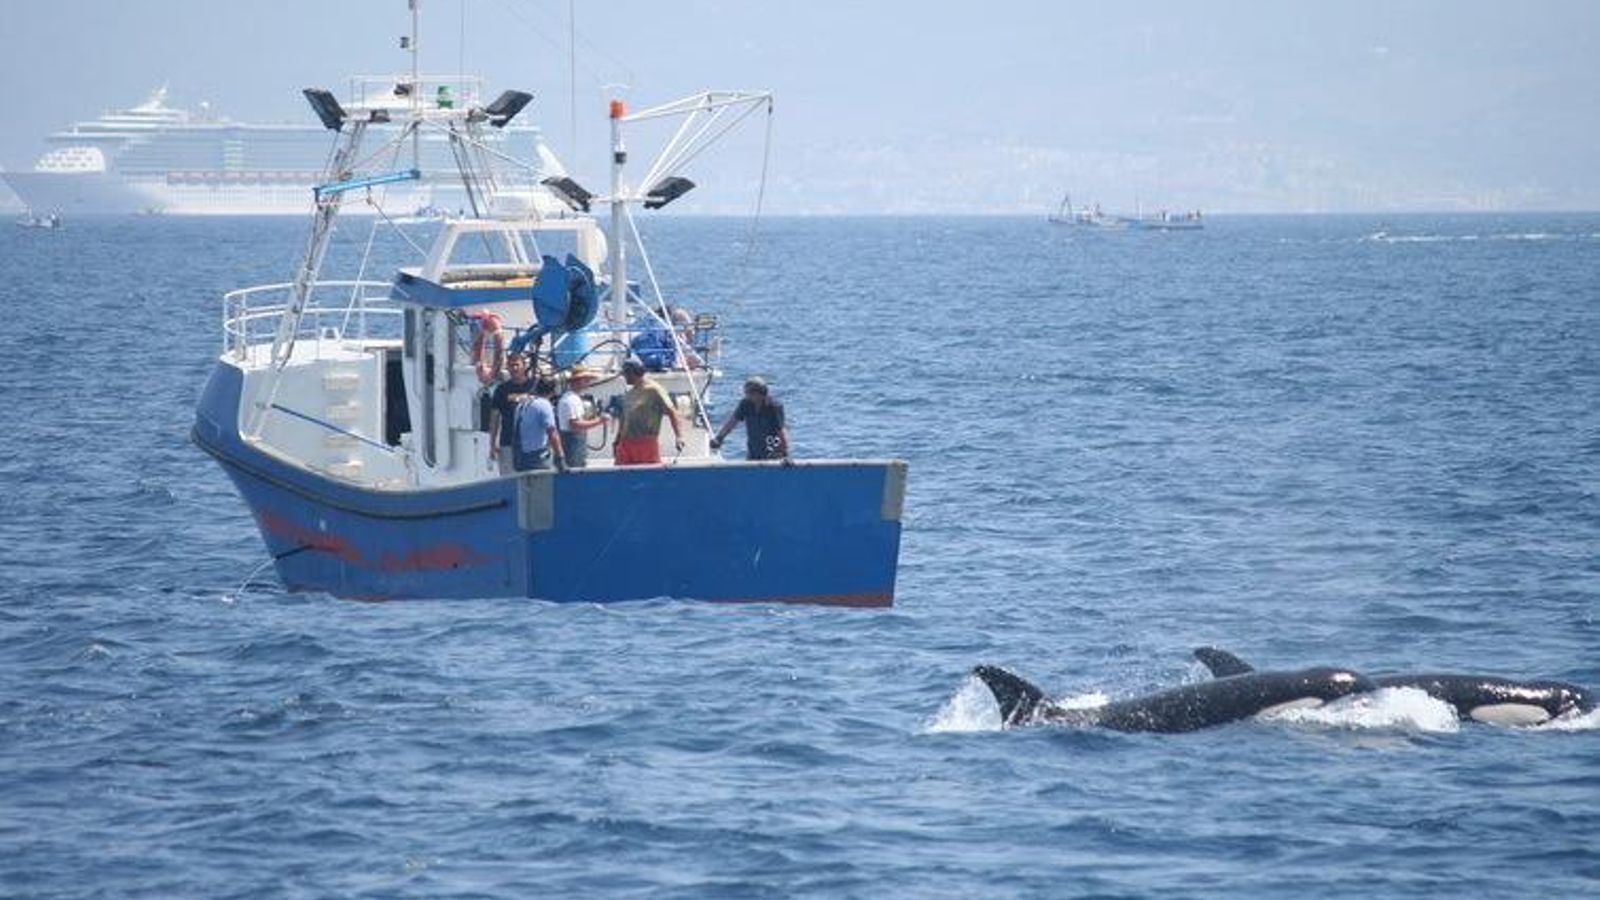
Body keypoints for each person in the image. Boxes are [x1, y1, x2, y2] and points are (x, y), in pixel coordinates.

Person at [613, 357, 683, 466]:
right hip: (625, 443)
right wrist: (617, 440)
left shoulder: (654, 390)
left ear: (634, 372)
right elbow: (624, 418)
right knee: (620, 477)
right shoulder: (628, 393)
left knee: (648, 477)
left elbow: (672, 412)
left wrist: (679, 437)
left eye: (626, 374)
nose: (624, 377)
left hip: (646, 443)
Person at [710, 376, 790, 461]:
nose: (746, 395)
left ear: (758, 393)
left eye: (748, 392)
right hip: (753, 452)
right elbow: (732, 422)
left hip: (772, 453)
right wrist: (719, 438)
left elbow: (781, 431)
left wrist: (784, 453)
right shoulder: (745, 404)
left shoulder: (773, 407)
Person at [488, 353, 536, 475]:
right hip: (508, 443)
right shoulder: (501, 390)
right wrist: (492, 444)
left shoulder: (534, 386)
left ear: (524, 366)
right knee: (508, 480)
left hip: (531, 443)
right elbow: (495, 418)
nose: (514, 368)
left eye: (516, 365)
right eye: (510, 366)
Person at [555, 365, 607, 469]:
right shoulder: (572, 400)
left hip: (571, 445)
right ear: (578, 381)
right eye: (586, 380)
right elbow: (575, 425)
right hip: (572, 448)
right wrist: (600, 420)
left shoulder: (569, 398)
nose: (588, 383)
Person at [513, 378, 567, 472]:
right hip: (537, 458)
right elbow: (552, 433)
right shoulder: (544, 404)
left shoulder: (521, 405)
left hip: (519, 458)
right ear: (552, 392)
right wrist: (561, 458)